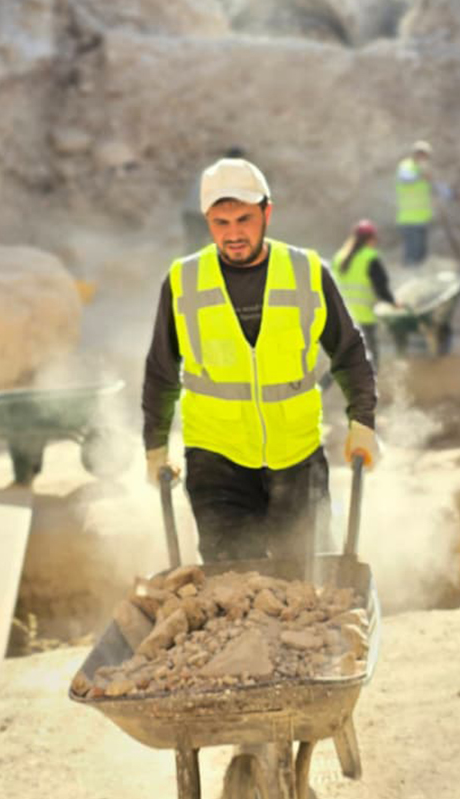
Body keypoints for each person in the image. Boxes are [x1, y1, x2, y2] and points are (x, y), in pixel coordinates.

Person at [143, 158, 380, 564]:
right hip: (217, 460)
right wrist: (155, 446)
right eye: (221, 222)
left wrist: (363, 422)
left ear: (267, 213)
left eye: (244, 219)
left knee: (308, 588)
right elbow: (162, 371)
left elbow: (349, 352)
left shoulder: (307, 271)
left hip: (298, 455)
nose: (233, 233)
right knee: (233, 587)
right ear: (207, 222)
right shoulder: (183, 280)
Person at [332, 219, 399, 368]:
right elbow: (381, 287)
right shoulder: (369, 257)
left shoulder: (339, 257)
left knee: (341, 362)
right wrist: (393, 303)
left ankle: (322, 388)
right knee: (371, 364)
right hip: (363, 319)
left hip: (341, 318)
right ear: (371, 239)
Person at [181, 146, 246, 251]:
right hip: (200, 213)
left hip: (192, 212)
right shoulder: (227, 174)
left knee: (196, 247)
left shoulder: (214, 169)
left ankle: (191, 266)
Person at [394, 139, 436, 266]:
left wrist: (450, 194)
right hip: (409, 219)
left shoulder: (423, 169)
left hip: (422, 219)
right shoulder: (406, 166)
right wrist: (420, 174)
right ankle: (410, 273)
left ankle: (420, 277)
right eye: (421, 154)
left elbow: (434, 187)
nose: (424, 158)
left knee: (421, 253)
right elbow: (406, 178)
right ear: (416, 154)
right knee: (412, 252)